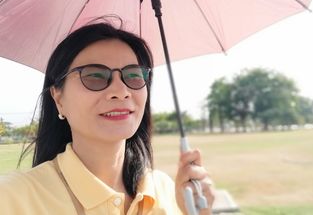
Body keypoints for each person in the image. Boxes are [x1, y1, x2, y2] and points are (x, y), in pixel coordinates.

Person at [0, 21, 214, 214]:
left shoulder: (170, 192)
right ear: (58, 98)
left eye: (133, 75)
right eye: (94, 76)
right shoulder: (12, 199)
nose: (121, 91)